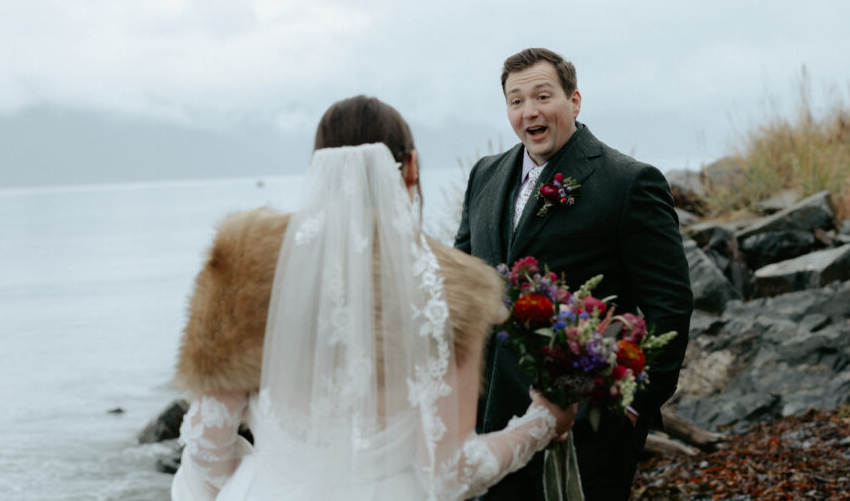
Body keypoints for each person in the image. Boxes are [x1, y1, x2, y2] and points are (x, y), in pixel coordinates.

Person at [171, 96, 577, 501]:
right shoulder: (451, 288)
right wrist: (542, 421)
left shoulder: (251, 270)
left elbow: (208, 447)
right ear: (412, 167)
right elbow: (450, 474)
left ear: (318, 170)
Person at [455, 49, 694, 500]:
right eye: (516, 101)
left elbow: (670, 305)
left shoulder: (630, 182)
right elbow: (462, 283)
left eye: (543, 96)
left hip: (588, 426)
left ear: (575, 101)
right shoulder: (484, 175)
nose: (530, 111)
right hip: (491, 423)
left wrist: (634, 408)